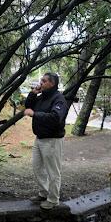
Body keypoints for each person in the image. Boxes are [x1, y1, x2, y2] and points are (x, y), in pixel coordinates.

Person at [24, 73, 67, 210]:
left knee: (53, 171)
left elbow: (55, 117)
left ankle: (53, 199)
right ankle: (44, 193)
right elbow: (28, 106)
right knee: (37, 168)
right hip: (39, 138)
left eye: (44, 81)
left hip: (52, 140)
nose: (40, 82)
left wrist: (35, 114)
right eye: (41, 80)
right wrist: (33, 94)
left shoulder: (59, 99)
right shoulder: (42, 96)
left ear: (52, 84)